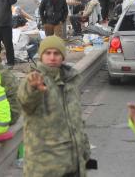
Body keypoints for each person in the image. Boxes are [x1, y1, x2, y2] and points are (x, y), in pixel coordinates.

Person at [17, 36, 91, 176]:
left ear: (62, 57)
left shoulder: (70, 80)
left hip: (73, 164)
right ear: (41, 56)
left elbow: (76, 121)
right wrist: (33, 90)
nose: (52, 58)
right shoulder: (34, 79)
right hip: (44, 168)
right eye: (48, 53)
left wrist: (85, 150)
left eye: (56, 53)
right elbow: (26, 103)